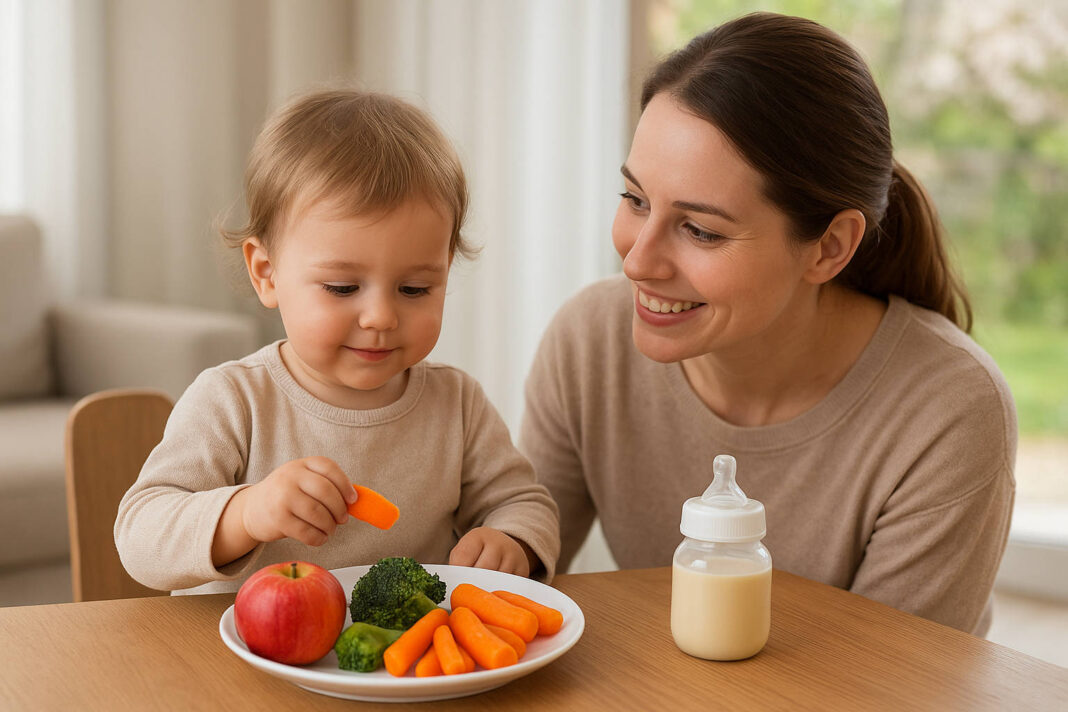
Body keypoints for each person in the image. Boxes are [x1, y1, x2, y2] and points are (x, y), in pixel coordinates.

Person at [520, 12, 1015, 635]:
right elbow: (504, 588)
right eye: (635, 200)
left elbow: (893, 688)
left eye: (701, 230)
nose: (637, 260)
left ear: (830, 247)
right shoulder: (589, 342)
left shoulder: (947, 411)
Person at [116, 88, 560, 594]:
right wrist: (249, 512)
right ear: (267, 273)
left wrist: (510, 539)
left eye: (415, 288)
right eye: (343, 288)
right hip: (242, 665)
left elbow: (526, 502)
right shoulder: (234, 400)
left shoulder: (457, 404)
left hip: (399, 666)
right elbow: (140, 536)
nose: (380, 317)